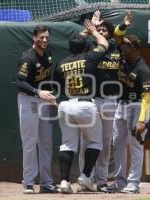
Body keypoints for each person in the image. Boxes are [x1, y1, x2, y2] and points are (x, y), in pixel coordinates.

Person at [78, 10, 132, 192]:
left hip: (110, 100)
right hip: (92, 99)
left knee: (106, 140)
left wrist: (123, 25)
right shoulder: (90, 49)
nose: (101, 32)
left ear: (109, 33)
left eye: (104, 30)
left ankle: (101, 179)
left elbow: (119, 33)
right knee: (88, 140)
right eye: (99, 29)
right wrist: (90, 29)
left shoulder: (116, 49)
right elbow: (75, 40)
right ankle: (86, 177)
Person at [53, 20, 109, 194]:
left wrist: (84, 33)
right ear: (85, 46)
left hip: (64, 104)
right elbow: (104, 43)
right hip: (84, 104)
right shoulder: (89, 57)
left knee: (67, 145)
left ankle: (63, 181)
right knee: (95, 142)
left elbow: (55, 87)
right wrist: (93, 30)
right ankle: (85, 176)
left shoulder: (60, 63)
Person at [105, 35, 150, 194]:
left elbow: (147, 98)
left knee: (136, 146)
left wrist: (142, 120)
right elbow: (117, 34)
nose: (122, 48)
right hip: (121, 105)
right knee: (117, 144)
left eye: (126, 46)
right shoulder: (122, 61)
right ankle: (119, 182)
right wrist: (124, 24)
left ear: (135, 48)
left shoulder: (143, 69)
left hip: (137, 106)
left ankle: (133, 183)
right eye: (122, 46)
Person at [16, 25, 57, 194]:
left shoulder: (47, 54)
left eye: (47, 37)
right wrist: (38, 92)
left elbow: (46, 79)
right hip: (29, 100)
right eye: (41, 37)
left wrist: (50, 96)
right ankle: (28, 181)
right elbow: (20, 82)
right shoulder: (28, 58)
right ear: (34, 38)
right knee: (30, 142)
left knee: (46, 143)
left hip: (44, 101)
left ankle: (47, 182)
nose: (45, 40)